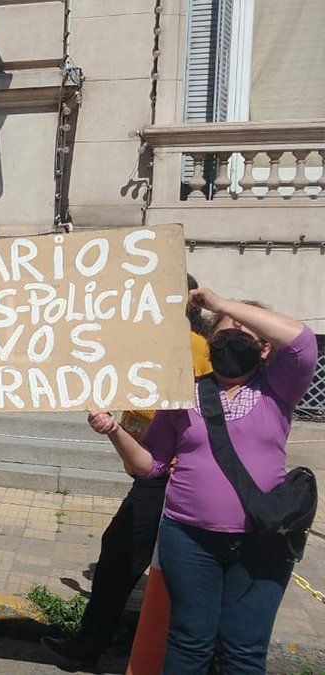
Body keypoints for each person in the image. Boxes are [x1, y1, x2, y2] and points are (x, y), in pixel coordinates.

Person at [87, 289, 317, 674]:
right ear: (210, 342)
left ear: (264, 350)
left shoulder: (278, 388)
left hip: (261, 542)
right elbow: (152, 465)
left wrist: (223, 307)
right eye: (225, 334)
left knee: (243, 649)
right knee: (189, 642)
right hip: (188, 539)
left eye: (245, 335)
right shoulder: (183, 394)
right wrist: (113, 431)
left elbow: (302, 341)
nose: (233, 340)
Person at [43, 274, 213, 669]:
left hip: (173, 473)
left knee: (123, 557)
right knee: (123, 555)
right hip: (154, 469)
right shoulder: (150, 341)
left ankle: (91, 647)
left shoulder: (195, 348)